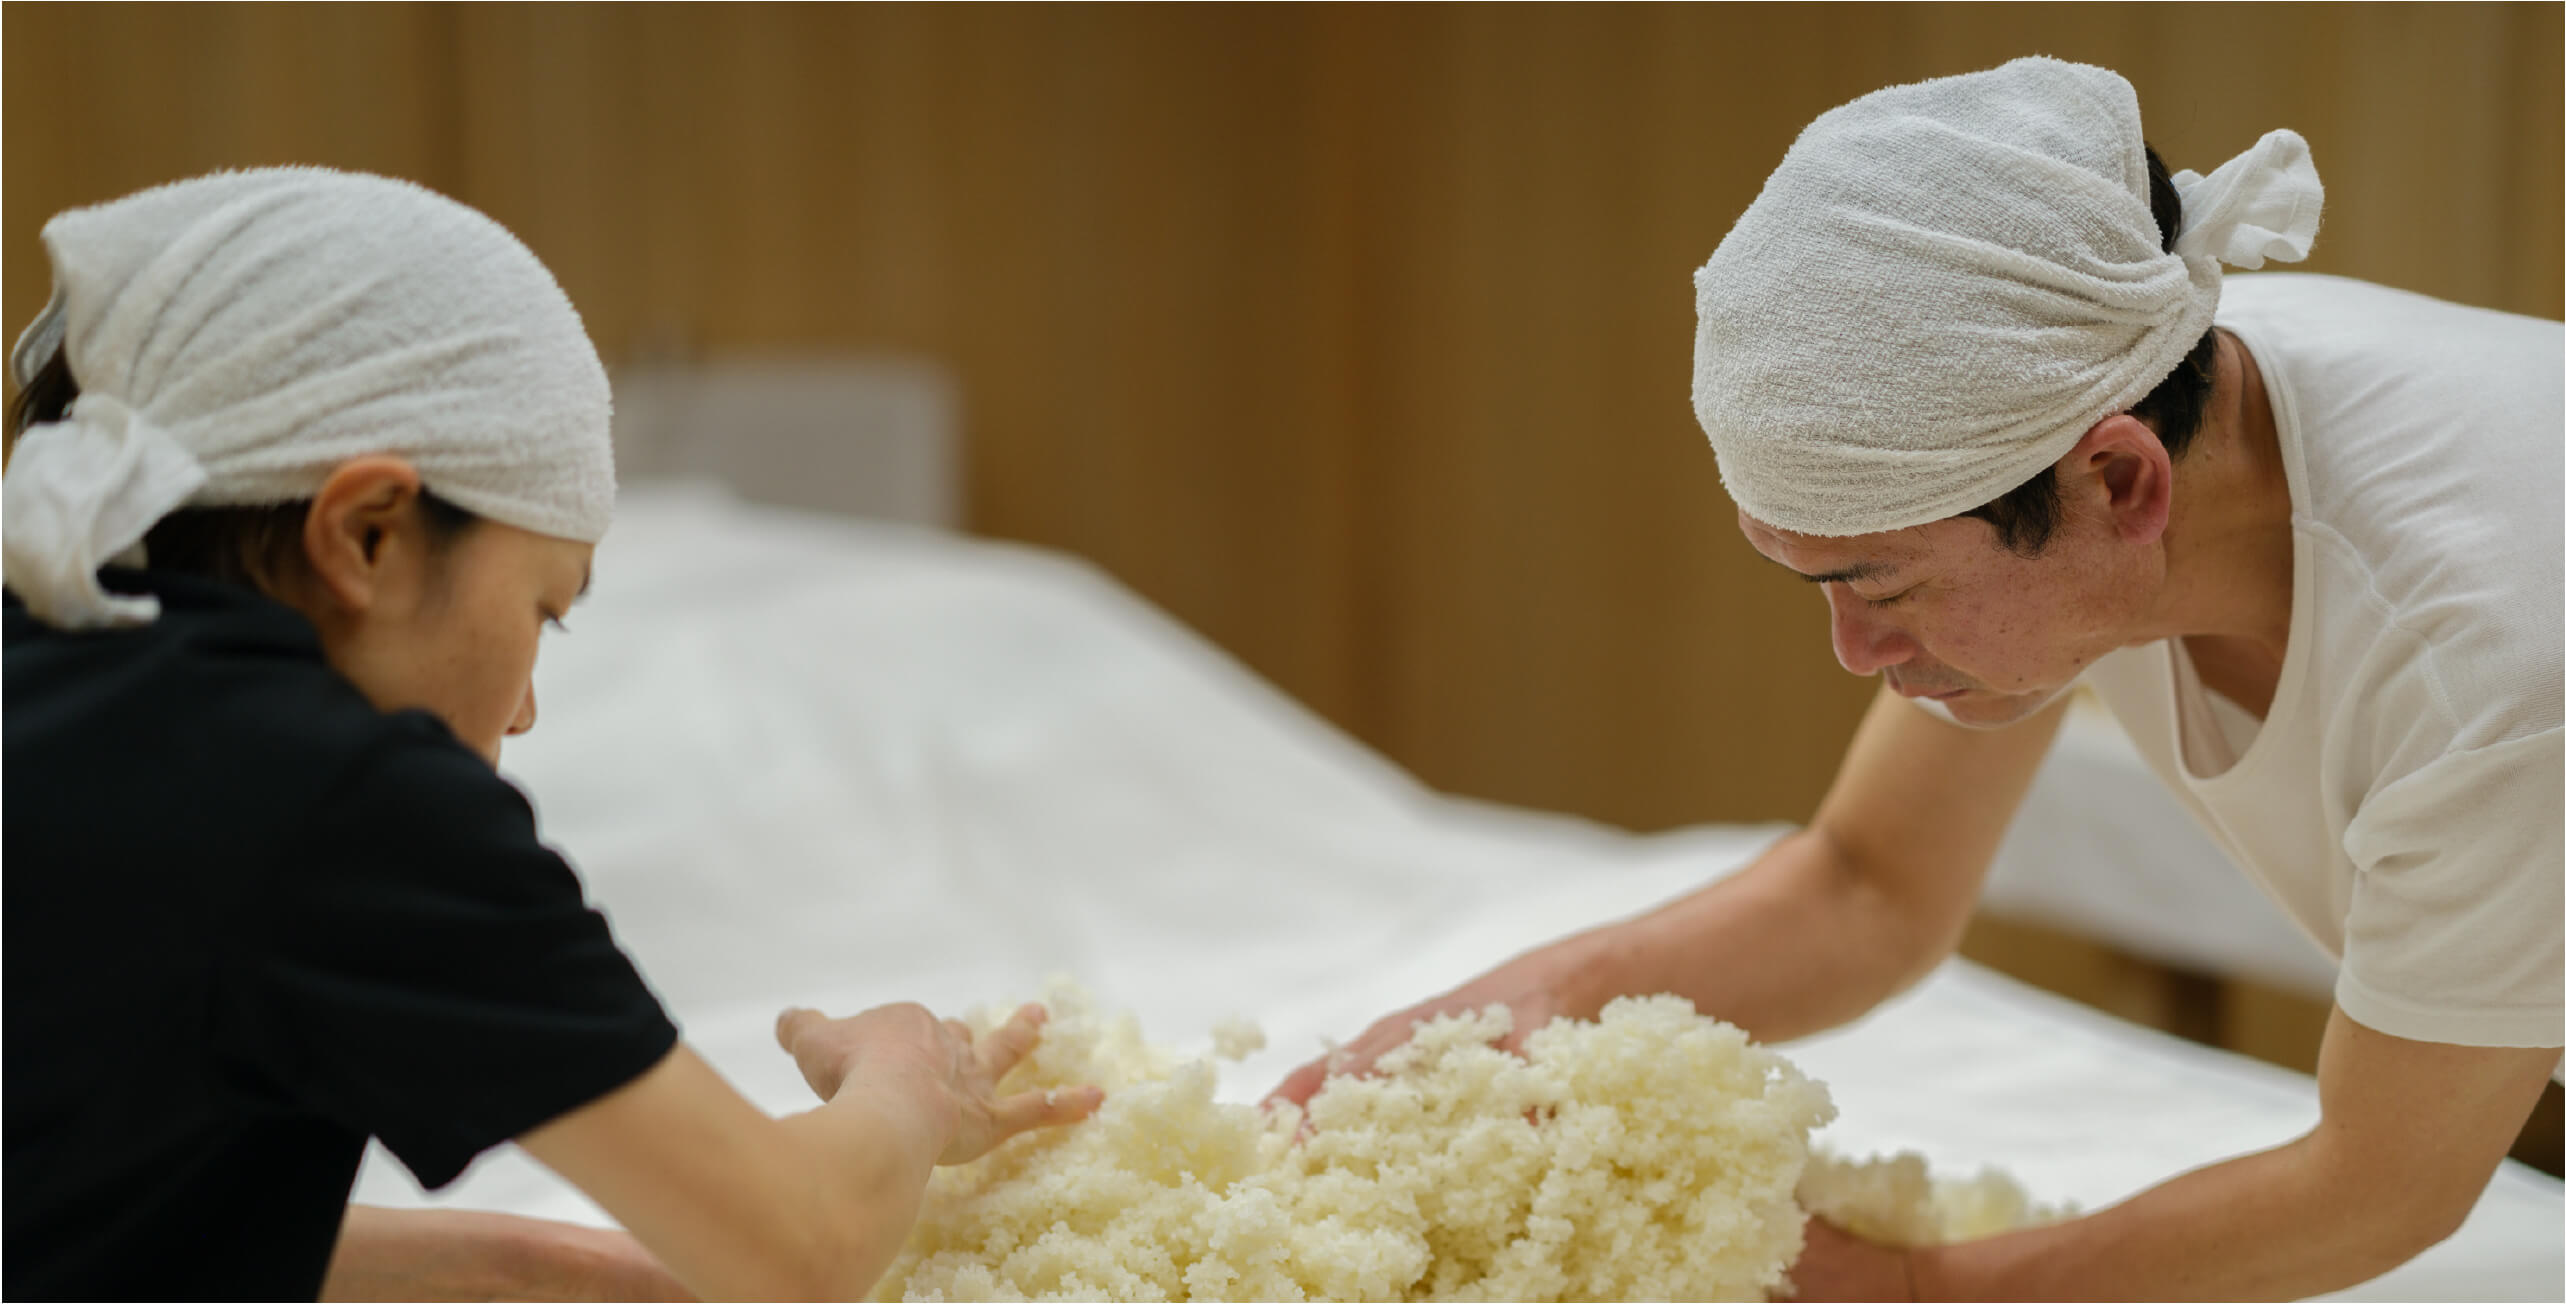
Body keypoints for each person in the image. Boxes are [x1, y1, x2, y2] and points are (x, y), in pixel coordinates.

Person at [1271, 56, 2562, 1300]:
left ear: (2121, 482)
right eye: (1818, 584)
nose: (1853, 650)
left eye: (1880, 587)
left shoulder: (2494, 674)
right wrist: (1517, 1016)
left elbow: (2380, 1185)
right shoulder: (2103, 362)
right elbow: (1869, 884)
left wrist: (1910, 1286)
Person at [1, 168, 1102, 1300]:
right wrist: (906, 1081)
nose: (525, 706)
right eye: (544, 608)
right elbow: (805, 1250)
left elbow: (102, 1222)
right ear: (368, 535)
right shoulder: (331, 792)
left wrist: (539, 1265)